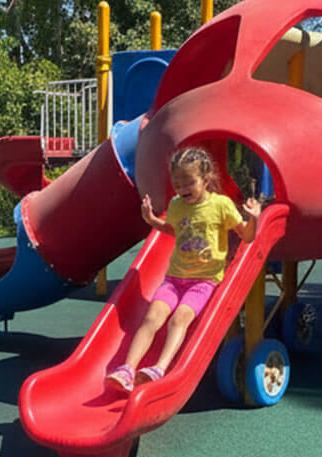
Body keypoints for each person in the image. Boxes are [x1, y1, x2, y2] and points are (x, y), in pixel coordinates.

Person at [107, 146, 260, 392]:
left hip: (204, 281)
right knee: (151, 318)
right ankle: (127, 369)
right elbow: (173, 229)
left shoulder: (221, 205)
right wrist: (152, 221)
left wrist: (254, 218)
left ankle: (159, 368)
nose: (182, 187)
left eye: (189, 181)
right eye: (177, 182)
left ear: (206, 179)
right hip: (174, 279)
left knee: (180, 318)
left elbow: (247, 236)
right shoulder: (176, 205)